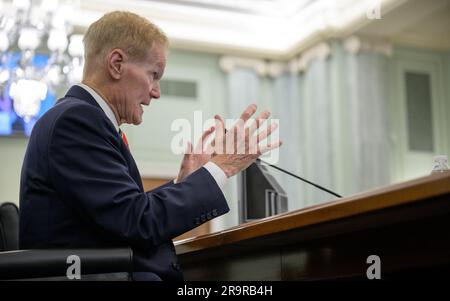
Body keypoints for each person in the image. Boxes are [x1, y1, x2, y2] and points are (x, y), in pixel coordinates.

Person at [19, 11, 281, 281]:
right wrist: (220, 167)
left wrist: (183, 184)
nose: (156, 91)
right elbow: (137, 223)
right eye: (154, 75)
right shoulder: (77, 121)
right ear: (117, 64)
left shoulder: (81, 118)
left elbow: (126, 213)